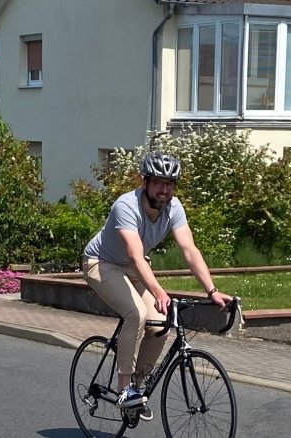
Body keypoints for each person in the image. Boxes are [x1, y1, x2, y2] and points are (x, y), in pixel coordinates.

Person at [81, 152, 233, 421]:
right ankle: (124, 388)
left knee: (161, 322)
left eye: (170, 184)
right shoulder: (125, 206)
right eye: (159, 183)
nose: (164, 190)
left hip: (133, 266)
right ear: (146, 182)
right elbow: (136, 255)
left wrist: (211, 290)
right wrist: (159, 291)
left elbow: (189, 250)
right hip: (102, 263)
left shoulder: (174, 208)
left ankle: (137, 390)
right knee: (136, 313)